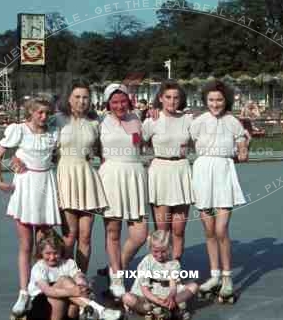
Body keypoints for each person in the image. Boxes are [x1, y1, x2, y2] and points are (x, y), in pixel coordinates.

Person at [0, 96, 62, 317]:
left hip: (46, 187)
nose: (44, 117)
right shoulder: (19, 130)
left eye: (46, 113)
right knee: (26, 244)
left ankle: (40, 289)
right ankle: (24, 292)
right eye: (39, 112)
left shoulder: (53, 132)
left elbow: (57, 157)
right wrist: (0, 180)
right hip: (25, 187)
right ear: (30, 113)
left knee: (43, 245)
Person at [189, 80, 248, 302]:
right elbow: (185, 140)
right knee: (209, 230)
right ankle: (214, 276)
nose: (215, 104)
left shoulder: (232, 121)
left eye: (219, 100)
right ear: (206, 101)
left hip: (224, 171)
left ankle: (227, 277)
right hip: (202, 171)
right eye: (211, 100)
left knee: (222, 229)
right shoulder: (198, 122)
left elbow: (242, 139)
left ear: (226, 101)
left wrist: (242, 149)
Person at [99, 83, 148, 300]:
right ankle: (117, 281)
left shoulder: (138, 118)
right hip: (111, 176)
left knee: (140, 234)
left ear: (129, 101)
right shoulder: (99, 122)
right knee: (113, 232)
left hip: (135, 174)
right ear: (108, 103)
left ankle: (116, 268)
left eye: (122, 101)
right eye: (115, 102)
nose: (119, 105)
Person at [54, 80, 108, 274]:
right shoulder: (57, 120)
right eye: (77, 97)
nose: (81, 101)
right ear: (69, 98)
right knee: (69, 237)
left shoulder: (96, 122)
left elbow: (107, 149)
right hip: (65, 177)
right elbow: (36, 136)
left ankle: (81, 280)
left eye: (85, 97)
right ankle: (66, 279)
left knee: (85, 238)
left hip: (87, 178)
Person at [142, 80, 194, 260]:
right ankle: (159, 270)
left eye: (176, 98)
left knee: (178, 230)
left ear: (181, 100)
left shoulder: (188, 119)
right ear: (161, 99)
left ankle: (175, 269)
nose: (172, 101)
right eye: (168, 97)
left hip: (181, 171)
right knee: (162, 230)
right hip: (160, 173)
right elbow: (134, 142)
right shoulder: (152, 120)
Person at [27, 229, 122, 320]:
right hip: (41, 308)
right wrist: (72, 291)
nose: (52, 257)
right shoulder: (38, 268)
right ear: (41, 253)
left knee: (75, 284)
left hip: (67, 307)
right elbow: (48, 291)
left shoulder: (69, 263)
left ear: (61, 251)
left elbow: (78, 276)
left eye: (56, 253)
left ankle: (91, 311)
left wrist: (82, 284)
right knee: (64, 281)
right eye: (48, 253)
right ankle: (100, 311)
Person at [122, 230, 198, 320]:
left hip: (166, 292)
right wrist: (158, 301)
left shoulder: (173, 263)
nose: (160, 255)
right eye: (156, 251)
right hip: (148, 295)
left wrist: (171, 296)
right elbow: (145, 290)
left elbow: (173, 286)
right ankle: (153, 310)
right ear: (150, 248)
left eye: (163, 251)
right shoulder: (146, 262)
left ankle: (162, 309)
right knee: (127, 297)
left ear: (169, 248)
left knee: (194, 286)